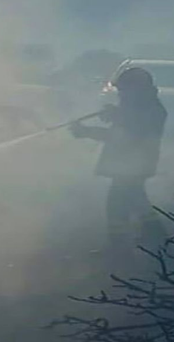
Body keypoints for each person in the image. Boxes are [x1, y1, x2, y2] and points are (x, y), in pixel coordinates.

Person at [70, 66, 167, 259]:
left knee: (117, 206)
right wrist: (116, 114)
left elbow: (125, 136)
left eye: (124, 90)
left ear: (137, 89)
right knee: (137, 201)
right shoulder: (144, 106)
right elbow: (127, 124)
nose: (121, 94)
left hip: (132, 165)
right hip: (131, 165)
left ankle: (121, 248)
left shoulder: (148, 109)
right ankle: (154, 236)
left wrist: (87, 132)